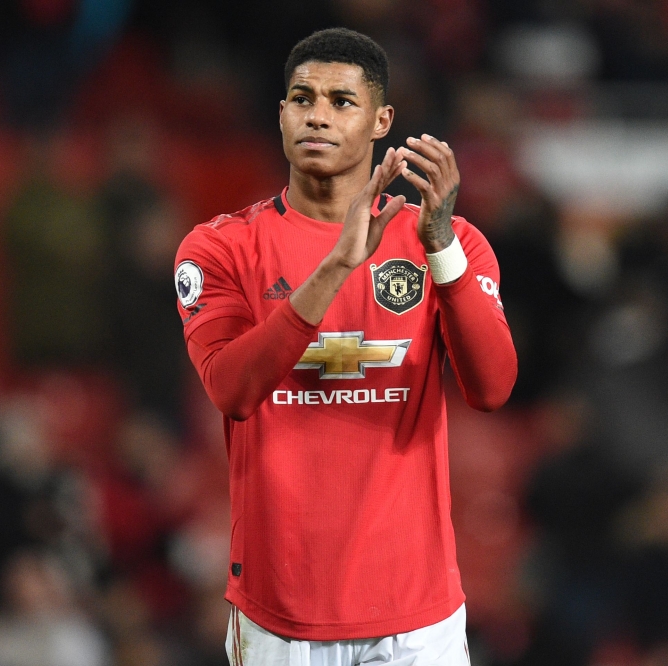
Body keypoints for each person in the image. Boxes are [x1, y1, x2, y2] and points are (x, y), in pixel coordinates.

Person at [173, 28, 517, 665]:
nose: (318, 116)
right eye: (303, 99)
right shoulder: (220, 248)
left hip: (418, 617)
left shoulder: (449, 242)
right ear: (282, 113)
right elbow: (232, 390)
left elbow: (492, 388)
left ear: (382, 121)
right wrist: (336, 266)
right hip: (280, 617)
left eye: (341, 101)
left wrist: (440, 246)